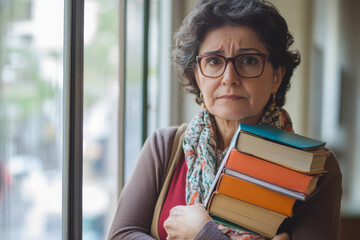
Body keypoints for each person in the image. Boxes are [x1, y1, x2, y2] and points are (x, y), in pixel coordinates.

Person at [108, 0, 342, 239]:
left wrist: (202, 233)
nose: (229, 78)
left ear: (277, 76)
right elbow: (121, 235)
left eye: (249, 60)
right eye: (214, 61)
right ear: (198, 77)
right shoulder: (165, 146)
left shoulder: (315, 168)